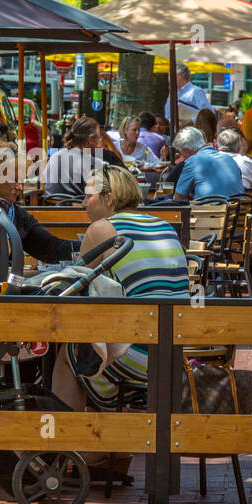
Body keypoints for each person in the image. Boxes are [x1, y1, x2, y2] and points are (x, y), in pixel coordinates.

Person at [52, 165, 190, 411]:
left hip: (139, 356)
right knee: (97, 341)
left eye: (88, 196)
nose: (83, 204)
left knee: (68, 355)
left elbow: (72, 291)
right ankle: (111, 443)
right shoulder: (165, 225)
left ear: (109, 198)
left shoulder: (102, 229)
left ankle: (66, 442)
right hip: (174, 355)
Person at [0, 141, 75, 264]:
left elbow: (53, 249)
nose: (20, 188)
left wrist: (93, 244)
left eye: (22, 181)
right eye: (15, 179)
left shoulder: (17, 215)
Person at [40, 116, 111, 197]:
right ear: (90, 139)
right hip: (77, 208)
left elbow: (44, 180)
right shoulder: (93, 163)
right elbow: (100, 192)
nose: (99, 141)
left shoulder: (55, 156)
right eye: (98, 138)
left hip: (50, 207)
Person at [171, 126, 242, 201]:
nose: (181, 156)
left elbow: (179, 197)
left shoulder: (192, 161)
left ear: (186, 150)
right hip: (236, 210)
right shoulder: (229, 159)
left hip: (211, 210)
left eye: (180, 152)